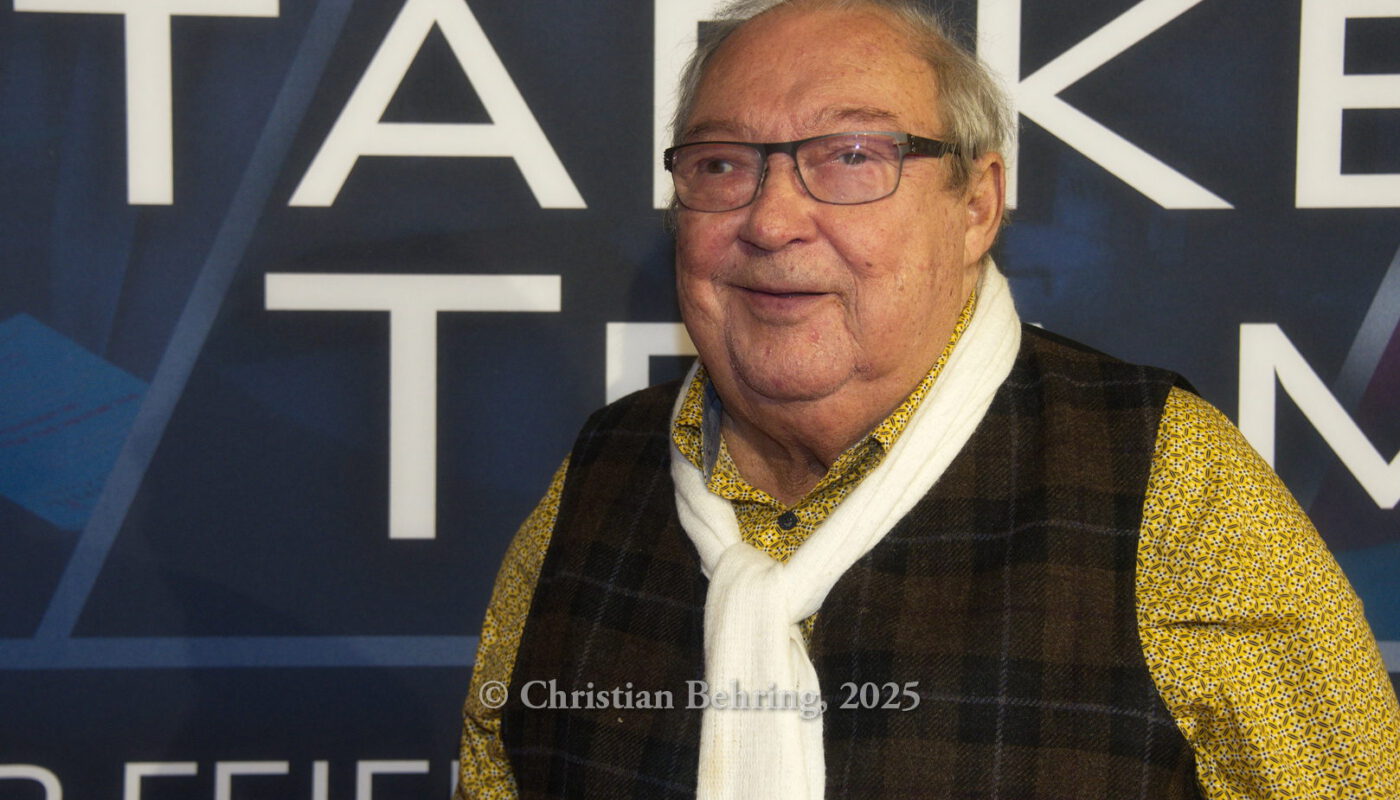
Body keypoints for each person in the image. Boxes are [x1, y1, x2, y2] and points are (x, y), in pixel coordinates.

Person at [455, 0, 1400, 797]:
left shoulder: (1166, 479)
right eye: (722, 164)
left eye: (853, 156)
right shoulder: (599, 476)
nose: (773, 218)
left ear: (978, 204)